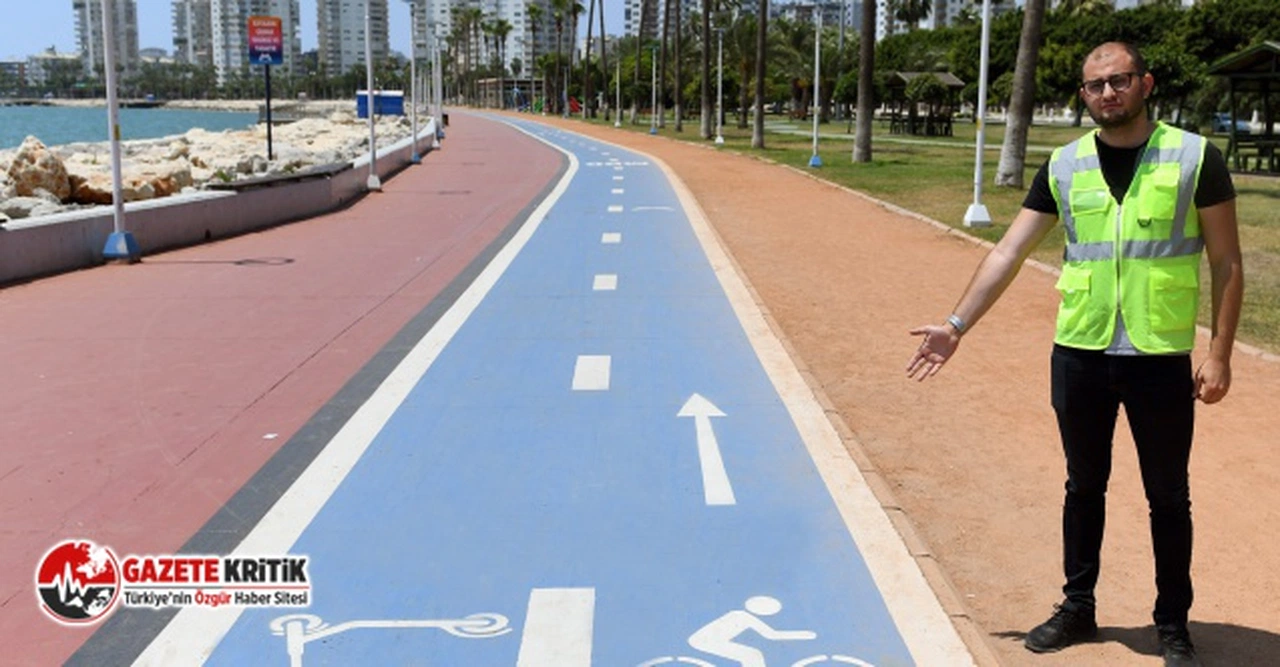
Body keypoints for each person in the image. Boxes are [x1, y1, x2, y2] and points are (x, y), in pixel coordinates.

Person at [905, 42, 1243, 667]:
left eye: (1119, 80)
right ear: (1083, 96)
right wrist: (956, 324)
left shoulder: (1195, 157)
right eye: (1094, 85)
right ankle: (1077, 606)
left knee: (1168, 495)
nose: (1107, 93)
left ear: (1146, 83)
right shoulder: (1065, 164)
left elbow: (1226, 261)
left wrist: (1219, 353)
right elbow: (1009, 251)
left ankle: (1172, 623)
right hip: (1081, 352)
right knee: (1083, 485)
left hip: (1159, 354)